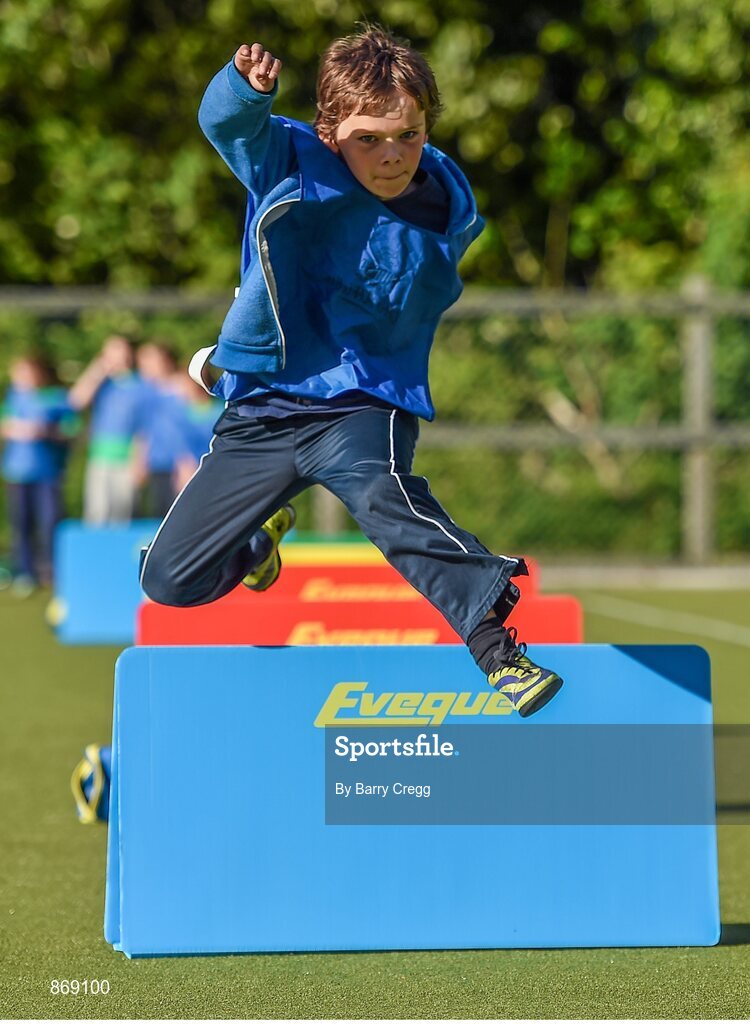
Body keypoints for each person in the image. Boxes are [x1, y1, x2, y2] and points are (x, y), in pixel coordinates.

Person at [140, 24, 563, 717]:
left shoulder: (439, 196)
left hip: (362, 399)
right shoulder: (288, 156)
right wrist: (244, 92)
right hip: (268, 402)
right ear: (330, 129)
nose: (393, 155)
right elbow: (227, 126)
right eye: (370, 138)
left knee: (383, 499)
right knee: (167, 578)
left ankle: (499, 652)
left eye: (410, 134)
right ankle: (255, 544)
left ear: (428, 125)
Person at [1, 354, 78, 594]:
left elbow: (71, 430)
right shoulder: (13, 397)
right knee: (21, 523)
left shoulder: (56, 398)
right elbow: (5, 425)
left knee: (50, 521)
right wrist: (18, 429)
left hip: (47, 472)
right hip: (17, 472)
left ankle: (53, 570)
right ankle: (25, 571)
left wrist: (47, 431)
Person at [69, 335, 148, 525]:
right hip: (100, 457)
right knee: (97, 513)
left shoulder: (141, 384)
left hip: (126, 458)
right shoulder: (102, 384)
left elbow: (145, 427)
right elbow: (76, 401)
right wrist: (98, 370)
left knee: (124, 514)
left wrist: (140, 459)